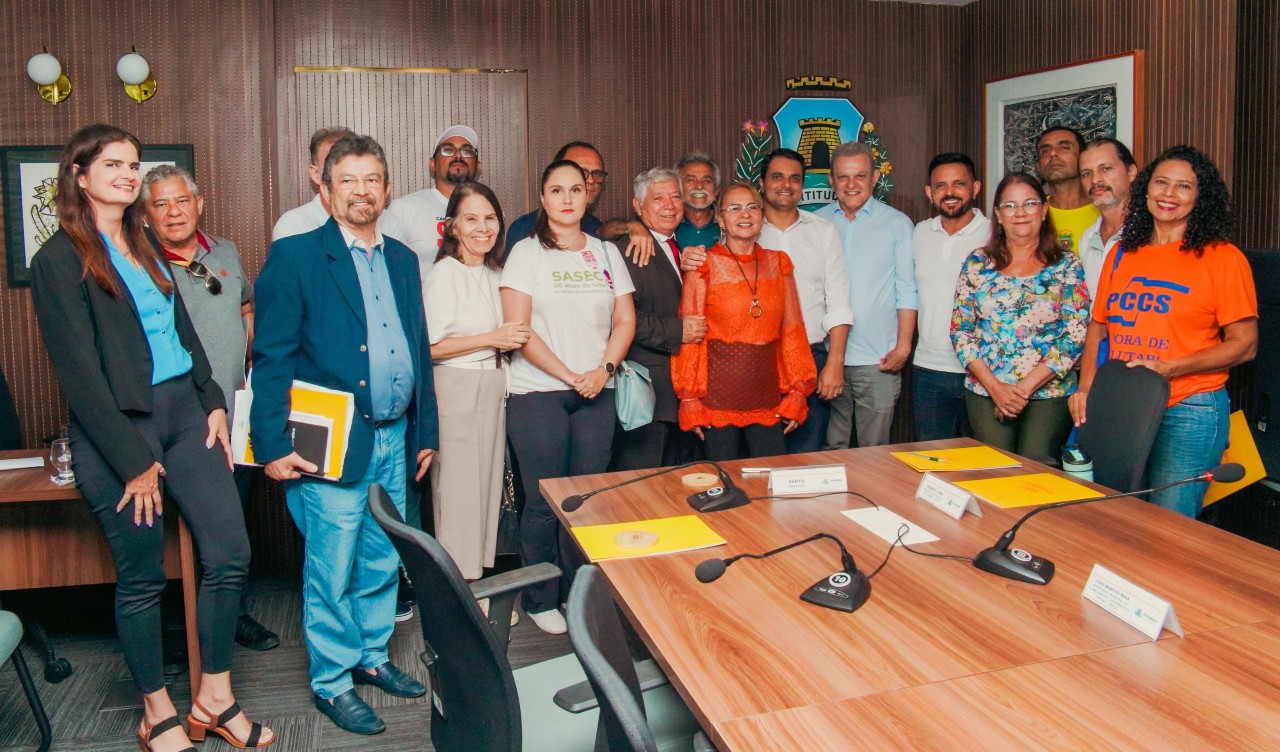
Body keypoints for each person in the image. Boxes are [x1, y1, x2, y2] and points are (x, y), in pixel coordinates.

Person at [30, 123, 273, 751]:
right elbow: (79, 376)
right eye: (112, 163)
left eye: (132, 164)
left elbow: (183, 328)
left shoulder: (142, 241)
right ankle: (156, 710)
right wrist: (133, 461)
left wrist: (212, 402)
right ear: (79, 175)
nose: (126, 173)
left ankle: (214, 698)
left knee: (229, 554)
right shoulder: (57, 260)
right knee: (141, 576)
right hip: (119, 429)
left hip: (185, 414)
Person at [252, 134, 438, 735]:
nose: (362, 191)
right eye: (348, 180)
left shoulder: (405, 260)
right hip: (328, 441)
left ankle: (372, 657)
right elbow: (272, 357)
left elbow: (418, 353)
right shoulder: (296, 256)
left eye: (372, 180)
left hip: (394, 438)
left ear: (386, 189)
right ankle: (332, 680)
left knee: (383, 556)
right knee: (330, 565)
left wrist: (424, 431)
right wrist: (273, 444)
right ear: (325, 189)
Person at [1070, 145, 1258, 518]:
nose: (1169, 195)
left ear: (1200, 197)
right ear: (1146, 188)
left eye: (1184, 187)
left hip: (1189, 406)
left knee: (1171, 522)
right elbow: (1098, 327)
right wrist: (1086, 388)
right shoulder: (1123, 252)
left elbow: (1245, 345)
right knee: (1116, 514)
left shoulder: (1222, 257)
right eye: (1161, 183)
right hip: (1124, 403)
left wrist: (1174, 367)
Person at [141, 165, 280, 653]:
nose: (173, 212)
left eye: (181, 201)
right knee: (173, 530)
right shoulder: (139, 264)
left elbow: (245, 303)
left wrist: (250, 352)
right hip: (175, 420)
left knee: (231, 521)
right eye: (160, 204)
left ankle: (232, 615)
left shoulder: (223, 251)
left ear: (199, 204)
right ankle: (180, 631)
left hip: (233, 413)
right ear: (147, 213)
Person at [501, 160, 636, 634]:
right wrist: (569, 374)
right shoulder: (526, 252)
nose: (566, 198)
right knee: (543, 500)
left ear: (587, 197)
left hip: (597, 390)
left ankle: (579, 594)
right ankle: (541, 598)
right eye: (556, 190)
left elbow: (624, 321)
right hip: (538, 393)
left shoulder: (605, 252)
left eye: (575, 189)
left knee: (584, 500)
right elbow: (519, 330)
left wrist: (603, 371)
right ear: (543, 199)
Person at [423, 182, 530, 584]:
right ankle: (459, 592)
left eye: (490, 218)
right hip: (456, 388)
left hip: (493, 388)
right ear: (452, 227)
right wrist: (492, 339)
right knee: (458, 495)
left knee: (487, 493)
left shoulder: (496, 274)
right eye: (471, 219)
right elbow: (430, 347)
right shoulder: (443, 275)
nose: (482, 227)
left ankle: (477, 583)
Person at [671, 182, 816, 460]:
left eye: (752, 207)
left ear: (762, 216)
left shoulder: (779, 262)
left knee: (771, 484)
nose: (745, 215)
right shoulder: (703, 265)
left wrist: (799, 390)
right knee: (724, 487)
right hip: (717, 400)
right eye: (734, 208)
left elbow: (793, 330)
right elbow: (691, 336)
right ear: (721, 219)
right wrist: (689, 398)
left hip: (767, 398)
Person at [951, 173, 1089, 460]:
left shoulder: (1067, 264)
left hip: (1050, 392)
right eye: (1010, 206)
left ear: (1044, 210)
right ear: (999, 215)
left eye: (1029, 203)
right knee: (995, 472)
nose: (1020, 212)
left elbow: (1075, 335)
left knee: (1036, 471)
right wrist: (996, 389)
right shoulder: (978, 262)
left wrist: (1022, 390)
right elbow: (960, 331)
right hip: (986, 389)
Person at [813, 142, 915, 448]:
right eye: (843, 177)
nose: (851, 184)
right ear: (831, 180)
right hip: (828, 357)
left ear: (874, 178)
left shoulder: (897, 224)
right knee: (830, 449)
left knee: (876, 452)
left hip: (878, 360)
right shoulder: (816, 223)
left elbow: (907, 290)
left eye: (860, 176)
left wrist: (903, 347)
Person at [608, 168, 705, 470]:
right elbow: (621, 317)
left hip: (682, 392)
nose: (670, 205)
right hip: (649, 393)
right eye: (658, 198)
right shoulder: (628, 248)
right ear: (637, 206)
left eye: (675, 196)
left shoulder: (680, 248)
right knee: (643, 491)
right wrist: (678, 330)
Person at [912, 152, 990, 441]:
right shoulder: (920, 232)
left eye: (959, 184)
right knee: (933, 462)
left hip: (983, 371)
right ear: (929, 193)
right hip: (930, 369)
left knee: (983, 462)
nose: (950, 193)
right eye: (941, 186)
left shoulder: (996, 234)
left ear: (976, 188)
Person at [501, 141, 654, 264]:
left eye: (597, 174)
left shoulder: (595, 227)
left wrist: (633, 226)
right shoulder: (524, 230)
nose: (590, 180)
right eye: (581, 171)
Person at [381, 124, 481, 289]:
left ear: (478, 166)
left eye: (467, 151)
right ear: (432, 164)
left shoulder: (488, 212)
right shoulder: (404, 209)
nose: (458, 156)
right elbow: (389, 270)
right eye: (448, 150)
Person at [1077, 138, 1139, 296]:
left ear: (1131, 172)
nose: (1095, 180)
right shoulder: (1088, 237)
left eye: (1106, 169)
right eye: (1086, 173)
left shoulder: (1154, 231)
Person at [271, 126, 354, 241]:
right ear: (316, 175)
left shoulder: (386, 221)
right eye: (332, 164)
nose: (346, 173)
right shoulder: (294, 225)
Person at [1036, 126, 1099, 254]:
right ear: (1038, 167)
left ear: (1083, 158)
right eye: (1045, 151)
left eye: (1064, 147)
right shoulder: (1032, 213)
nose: (1053, 153)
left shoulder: (1104, 209)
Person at [673, 151, 721, 250]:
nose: (699, 186)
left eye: (707, 181)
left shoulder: (729, 223)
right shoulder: (667, 221)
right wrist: (636, 227)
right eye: (690, 180)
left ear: (716, 191)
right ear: (677, 188)